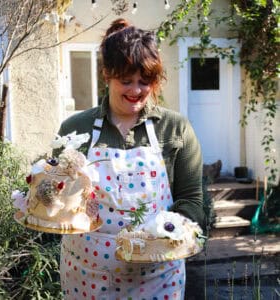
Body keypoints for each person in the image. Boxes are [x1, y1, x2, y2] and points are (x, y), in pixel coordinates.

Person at [58, 18, 205, 300]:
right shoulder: (75, 129)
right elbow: (59, 195)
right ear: (106, 74)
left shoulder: (174, 128)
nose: (136, 91)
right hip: (88, 275)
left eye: (144, 81)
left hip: (157, 277)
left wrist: (169, 234)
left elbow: (192, 200)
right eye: (126, 80)